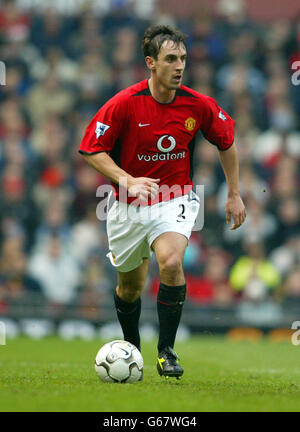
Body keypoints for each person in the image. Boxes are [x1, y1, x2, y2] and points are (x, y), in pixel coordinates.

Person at [79, 25, 246, 379]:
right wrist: (126, 179)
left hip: (175, 198)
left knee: (171, 262)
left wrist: (233, 193)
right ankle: (132, 348)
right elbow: (91, 149)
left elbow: (226, 141)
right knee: (130, 287)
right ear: (151, 63)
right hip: (126, 205)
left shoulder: (197, 104)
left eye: (183, 58)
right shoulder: (124, 103)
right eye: (171, 59)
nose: (179, 66)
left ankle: (166, 351)